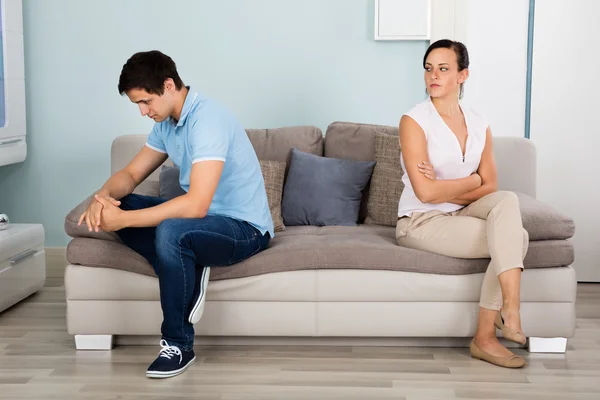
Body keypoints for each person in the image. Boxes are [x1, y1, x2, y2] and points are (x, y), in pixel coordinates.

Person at [77, 50, 274, 378]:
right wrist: (102, 197)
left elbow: (196, 205)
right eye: (137, 105)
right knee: (123, 203)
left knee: (170, 231)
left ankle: (178, 344)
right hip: (200, 225)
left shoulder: (208, 120)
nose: (143, 112)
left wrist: (122, 221)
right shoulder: (166, 124)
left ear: (168, 85)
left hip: (243, 228)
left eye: (145, 102)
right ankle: (189, 270)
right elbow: (129, 176)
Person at [396, 39, 528, 368]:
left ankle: (509, 310)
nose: (433, 76)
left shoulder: (479, 122)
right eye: (428, 69)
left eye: (443, 69)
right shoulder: (414, 121)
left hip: (460, 211)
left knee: (506, 200)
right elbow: (425, 195)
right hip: (421, 220)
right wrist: (471, 181)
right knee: (517, 239)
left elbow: (493, 185)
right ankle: (488, 335)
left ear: (462, 75)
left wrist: (444, 186)